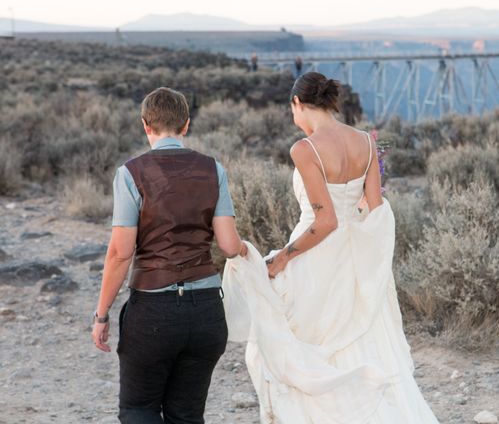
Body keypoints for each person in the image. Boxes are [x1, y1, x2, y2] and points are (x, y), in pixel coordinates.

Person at [223, 72, 440, 423]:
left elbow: (325, 221)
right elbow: (374, 208)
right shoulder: (366, 142)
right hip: (354, 256)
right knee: (359, 343)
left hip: (316, 256)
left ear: (298, 103)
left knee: (297, 347)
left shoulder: (305, 149)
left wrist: (283, 256)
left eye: (292, 110)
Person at [91, 87, 247, 423]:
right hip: (207, 313)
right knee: (187, 416)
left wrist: (101, 315)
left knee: (138, 410)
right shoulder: (213, 169)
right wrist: (248, 248)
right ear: (186, 125)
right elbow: (230, 247)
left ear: (145, 125)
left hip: (154, 314)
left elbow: (120, 254)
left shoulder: (131, 173)